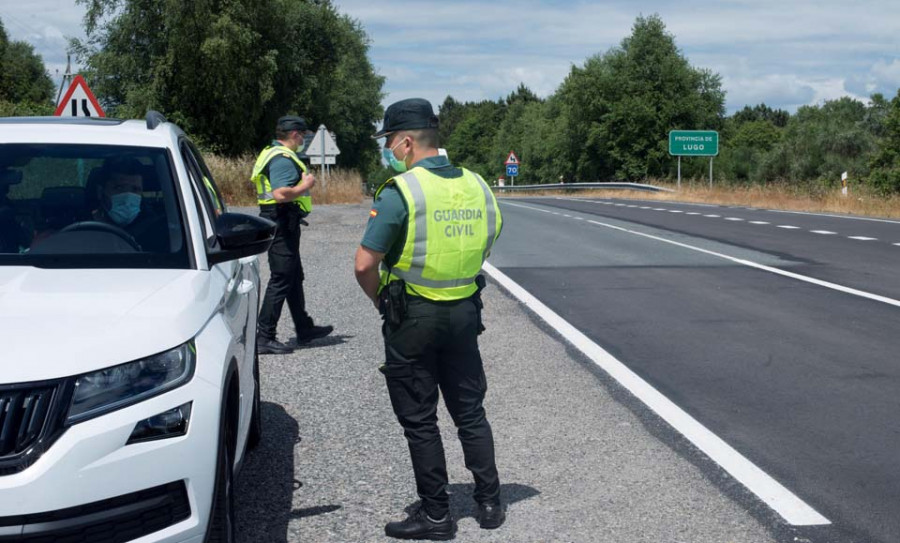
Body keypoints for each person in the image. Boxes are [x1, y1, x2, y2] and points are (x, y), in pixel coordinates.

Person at [354, 98, 505, 540]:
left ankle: (437, 516)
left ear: (405, 142)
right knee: (470, 412)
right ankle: (491, 503)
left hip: (413, 316)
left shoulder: (402, 191)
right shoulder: (479, 185)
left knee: (420, 418)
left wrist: (383, 300)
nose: (389, 151)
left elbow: (365, 263)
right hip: (464, 312)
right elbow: (489, 238)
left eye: (389, 143)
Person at [253, 115, 333, 355]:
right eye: (304, 136)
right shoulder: (282, 158)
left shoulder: (272, 152)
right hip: (280, 219)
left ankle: (303, 327)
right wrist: (305, 186)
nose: (304, 140)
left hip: (282, 220)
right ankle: (264, 336)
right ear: (295, 134)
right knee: (281, 278)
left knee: (293, 276)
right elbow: (280, 194)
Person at [93, 157, 166, 252]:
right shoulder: (81, 226)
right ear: (100, 192)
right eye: (119, 188)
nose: (127, 197)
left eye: (135, 189)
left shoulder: (157, 231)